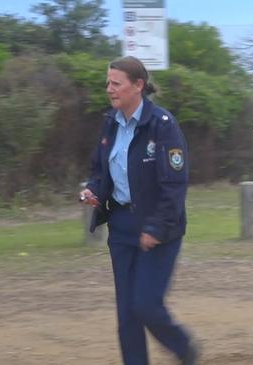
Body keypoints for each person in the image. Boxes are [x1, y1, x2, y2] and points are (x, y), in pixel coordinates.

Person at [80, 56, 199, 365]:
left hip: (158, 230)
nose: (109, 89)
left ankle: (184, 348)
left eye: (116, 83)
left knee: (146, 304)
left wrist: (156, 228)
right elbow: (99, 169)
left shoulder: (162, 125)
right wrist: (93, 190)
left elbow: (175, 183)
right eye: (108, 82)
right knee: (127, 314)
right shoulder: (111, 123)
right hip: (120, 227)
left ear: (138, 86)